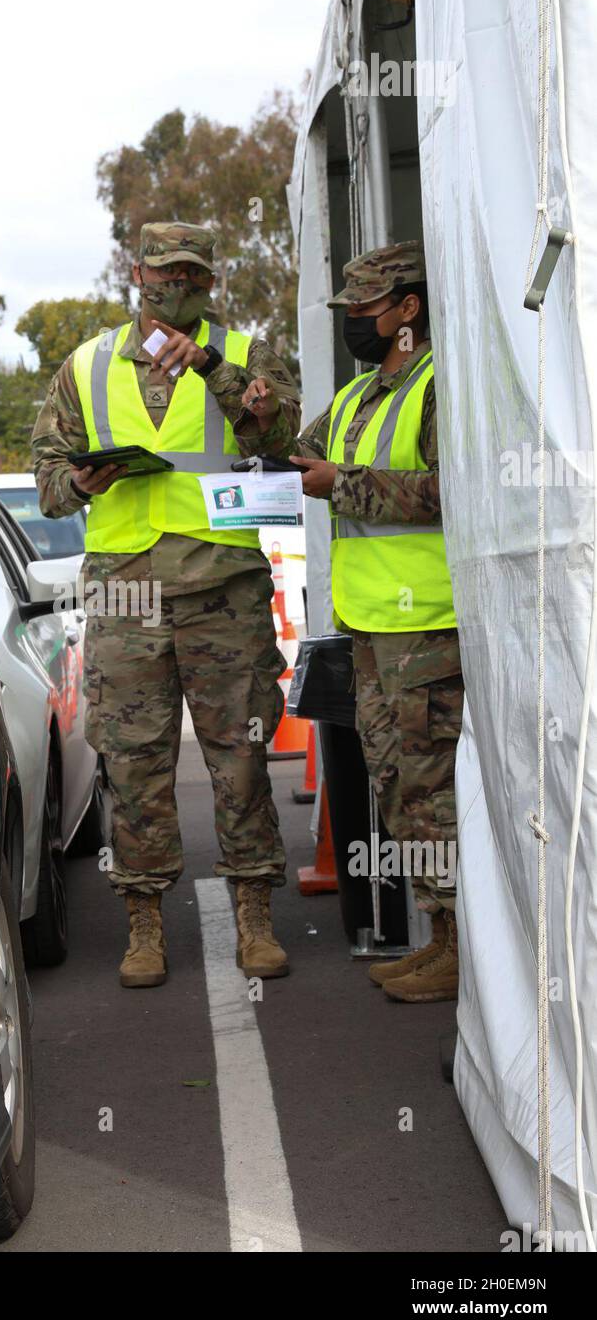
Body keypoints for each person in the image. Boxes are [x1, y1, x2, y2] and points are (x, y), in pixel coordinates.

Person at [32, 221, 301, 988]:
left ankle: (253, 914)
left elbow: (279, 430)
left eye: (191, 275)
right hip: (125, 590)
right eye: (162, 272)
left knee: (240, 756)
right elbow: (48, 476)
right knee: (132, 761)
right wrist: (81, 481)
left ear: (209, 283)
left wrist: (212, 366)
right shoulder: (85, 365)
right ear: (136, 273)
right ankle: (143, 921)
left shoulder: (244, 354)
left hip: (222, 587)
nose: (174, 286)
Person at [242, 240, 462, 1003]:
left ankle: (465, 950)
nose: (354, 324)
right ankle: (442, 939)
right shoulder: (364, 392)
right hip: (369, 627)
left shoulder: (441, 383)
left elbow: (453, 492)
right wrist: (265, 431)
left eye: (364, 310)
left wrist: (345, 485)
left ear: (406, 309)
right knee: (399, 791)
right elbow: (299, 456)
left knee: (432, 794)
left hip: (426, 629)